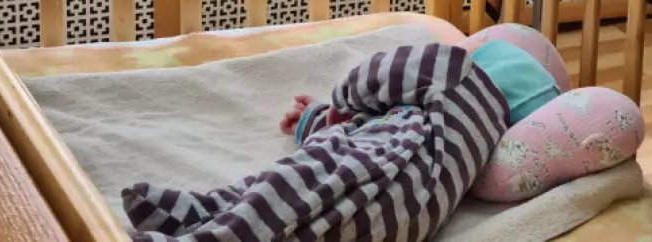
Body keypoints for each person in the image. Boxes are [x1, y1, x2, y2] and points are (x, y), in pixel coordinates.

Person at [121, 40, 561, 242]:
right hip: (407, 222)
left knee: (286, 186)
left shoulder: (460, 74)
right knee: (308, 222)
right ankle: (194, 213)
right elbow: (368, 122)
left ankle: (206, 223)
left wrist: (340, 99)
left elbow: (384, 74)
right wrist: (319, 120)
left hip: (375, 167)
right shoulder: (478, 139)